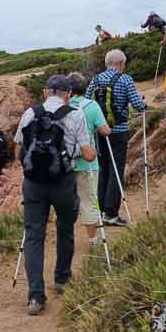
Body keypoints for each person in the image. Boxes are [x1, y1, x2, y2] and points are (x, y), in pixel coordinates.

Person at [14, 75, 95, 316]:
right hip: (63, 182)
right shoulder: (75, 114)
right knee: (65, 228)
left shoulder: (30, 113)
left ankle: (35, 296)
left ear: (46, 92)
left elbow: (18, 150)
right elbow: (88, 154)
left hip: (33, 184)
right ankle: (62, 278)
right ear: (68, 94)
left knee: (33, 236)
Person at [86, 50, 146, 227]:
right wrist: (144, 104)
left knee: (103, 168)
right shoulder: (125, 79)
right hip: (118, 131)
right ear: (120, 63)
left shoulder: (95, 80)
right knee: (116, 170)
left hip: (99, 132)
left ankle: (101, 210)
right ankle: (111, 213)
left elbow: (87, 102)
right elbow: (137, 105)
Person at [67, 72, 111, 247]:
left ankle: (66, 238)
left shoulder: (62, 106)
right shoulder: (91, 106)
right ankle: (93, 239)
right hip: (87, 161)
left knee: (66, 203)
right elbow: (105, 130)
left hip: (64, 163)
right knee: (89, 201)